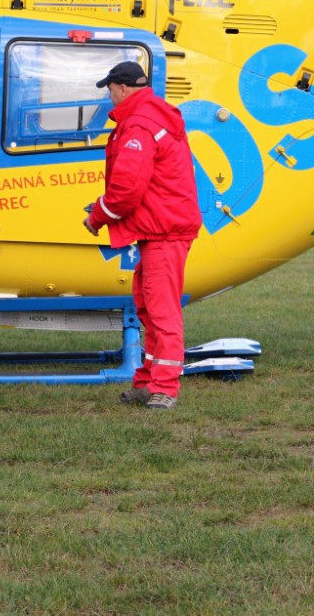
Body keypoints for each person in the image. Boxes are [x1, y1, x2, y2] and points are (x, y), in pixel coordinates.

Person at [84, 60, 201, 410]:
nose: (109, 98)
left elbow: (126, 189)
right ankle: (149, 382)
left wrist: (99, 215)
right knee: (149, 305)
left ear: (120, 89)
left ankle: (164, 388)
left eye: (109, 91)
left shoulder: (138, 125)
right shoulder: (152, 117)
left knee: (161, 310)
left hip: (163, 231)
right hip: (160, 228)